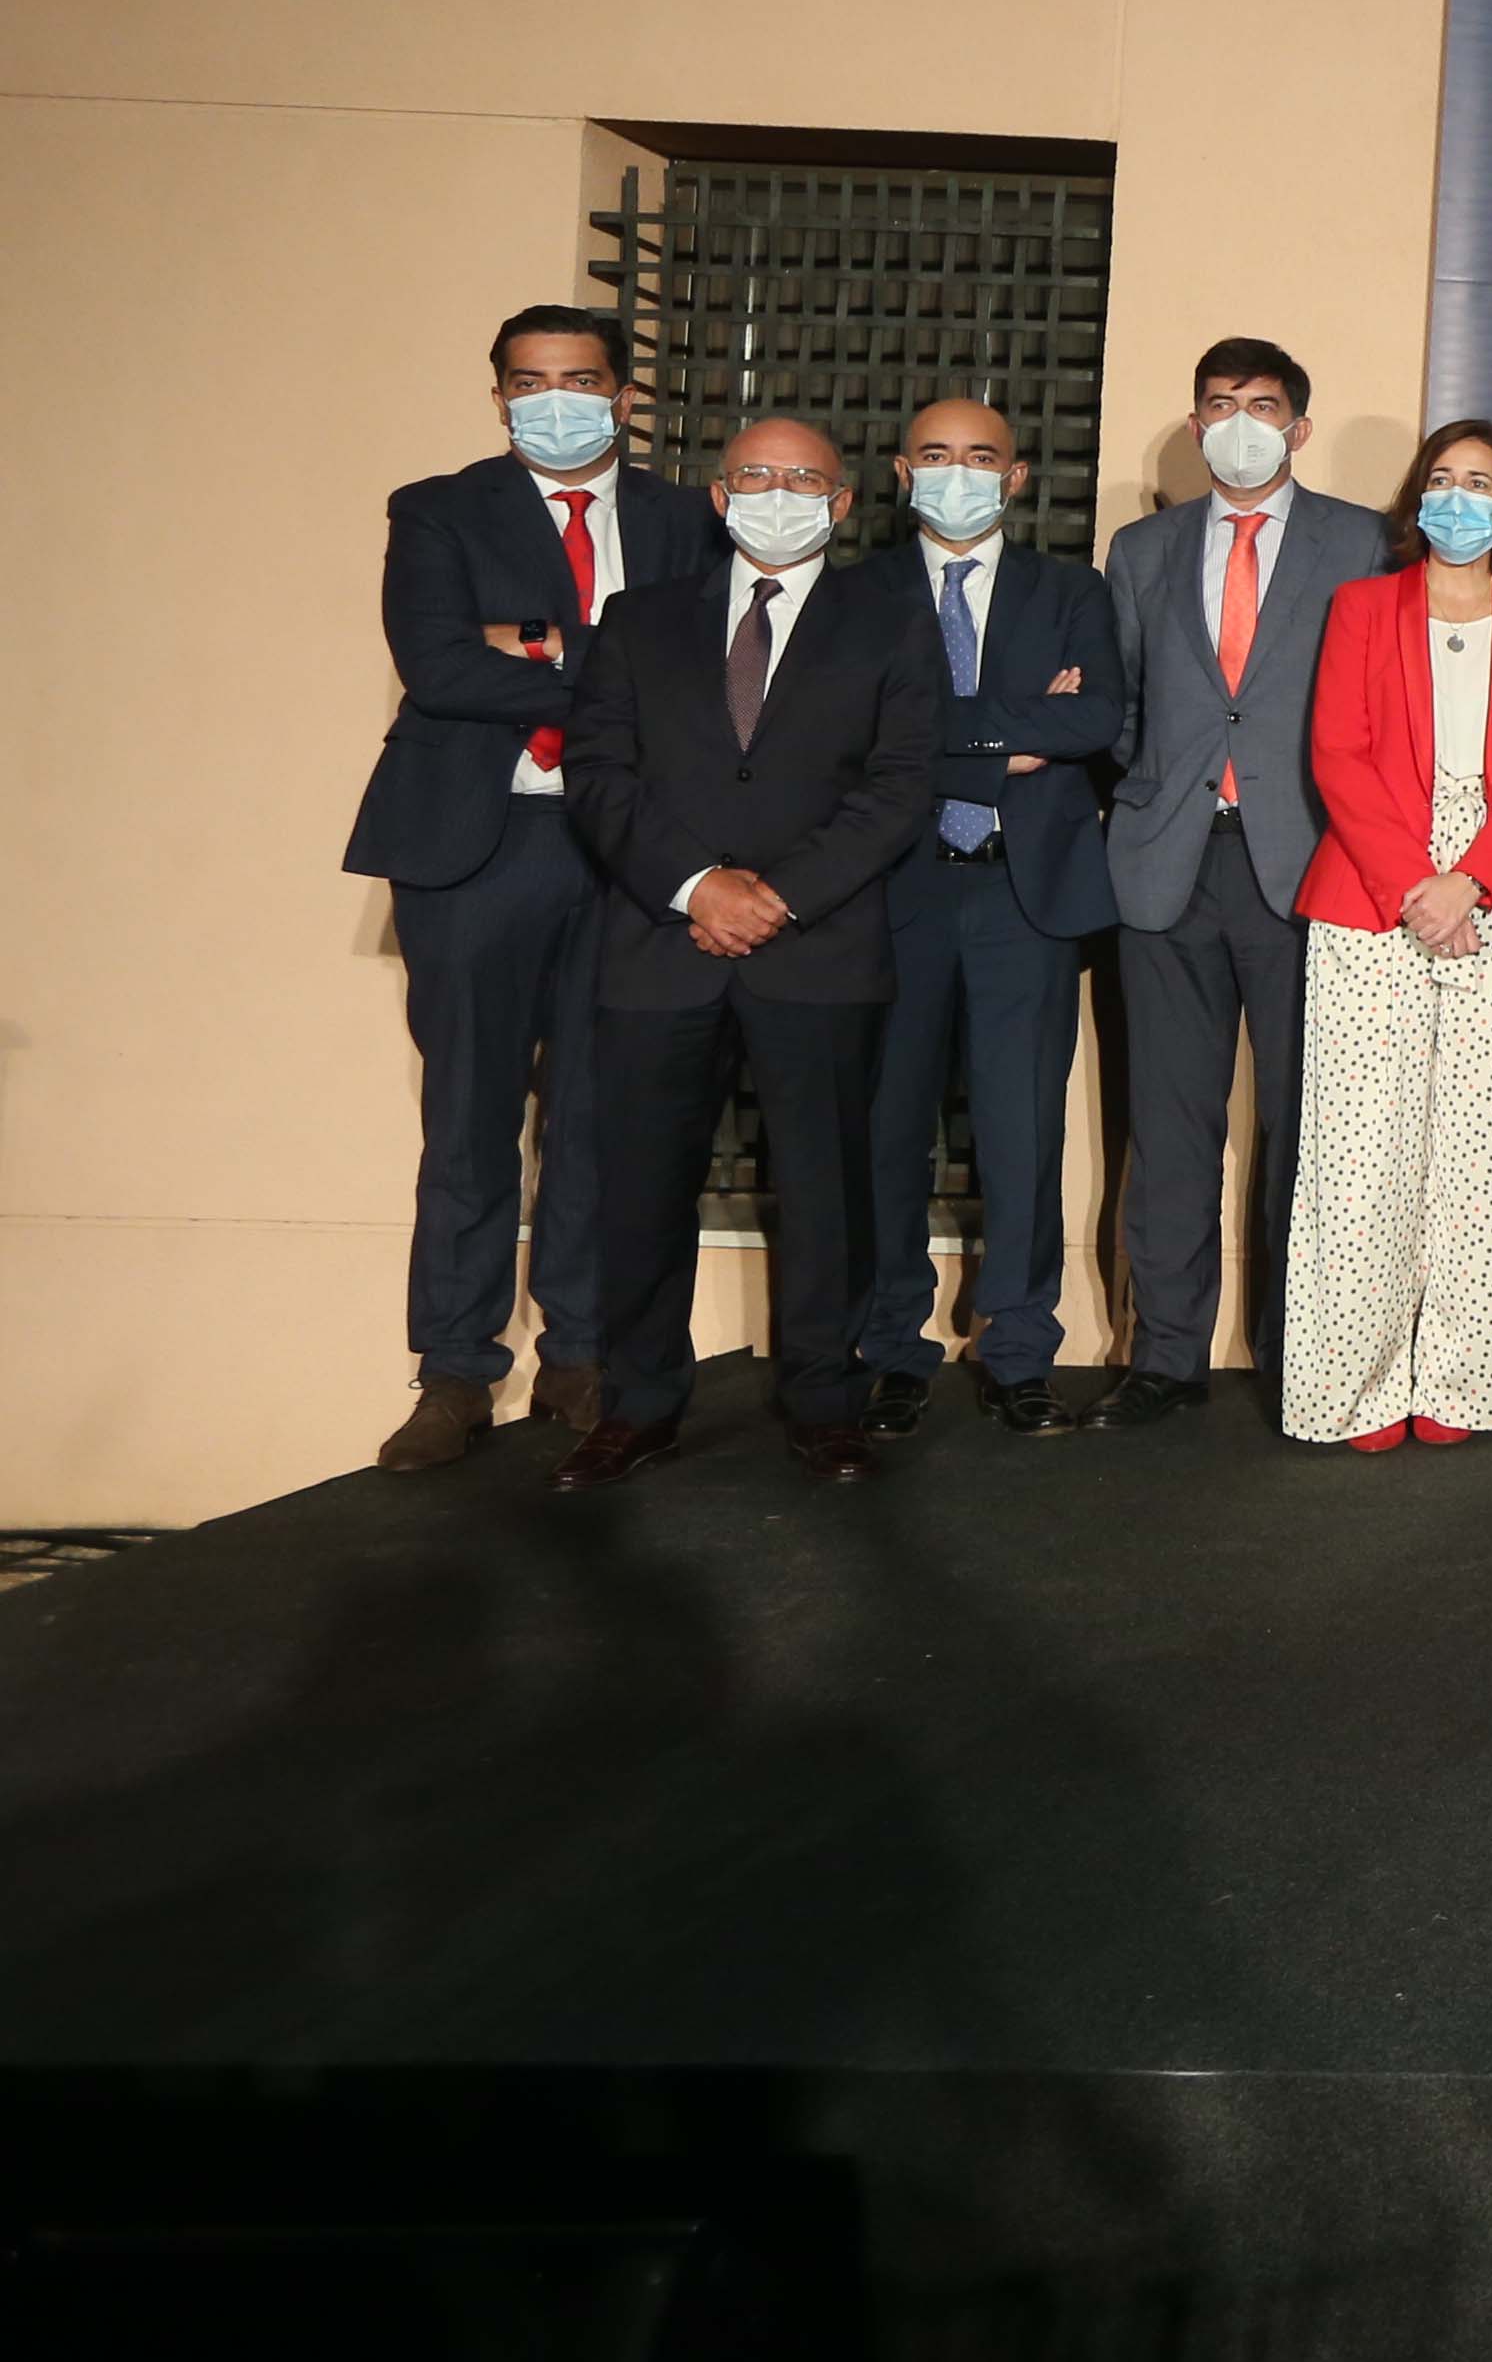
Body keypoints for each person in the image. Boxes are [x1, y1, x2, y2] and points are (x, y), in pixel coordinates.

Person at [345, 306, 723, 1468]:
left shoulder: (680, 519)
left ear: (623, 394)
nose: (553, 400)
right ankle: (453, 1373)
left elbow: (703, 665)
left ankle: (581, 1354)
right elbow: (445, 667)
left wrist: (539, 644)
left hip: (627, 850)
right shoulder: (439, 508)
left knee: (602, 1117)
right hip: (474, 845)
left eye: (579, 380)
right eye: (528, 380)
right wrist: (606, 662)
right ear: (498, 394)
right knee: (467, 1118)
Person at [550, 417, 942, 1489]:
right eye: (758, 477)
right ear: (719, 497)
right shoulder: (640, 621)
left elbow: (899, 786)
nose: (781, 493)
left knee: (825, 1188)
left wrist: (779, 895)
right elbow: (598, 774)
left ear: (846, 503)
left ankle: (825, 1401)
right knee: (640, 1186)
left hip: (816, 947)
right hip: (657, 943)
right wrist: (695, 887)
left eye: (805, 479)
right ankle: (637, 1406)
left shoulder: (894, 622)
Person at [1275, 423, 1492, 1451]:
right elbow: (1339, 752)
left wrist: (1471, 881)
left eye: (1479, 483)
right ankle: (1355, 1391)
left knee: (1490, 1158)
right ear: (1417, 502)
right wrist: (1417, 885)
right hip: (1377, 887)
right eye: (1440, 480)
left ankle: (1468, 1386)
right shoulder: (1363, 607)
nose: (1457, 497)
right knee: (1360, 1152)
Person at [1098, 339, 1388, 1429]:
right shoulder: (1142, 549)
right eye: (1220, 404)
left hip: (1310, 868)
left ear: (1299, 429)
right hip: (1167, 867)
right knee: (1169, 1132)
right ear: (1194, 423)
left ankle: (1293, 1355)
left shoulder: (1362, 542)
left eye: (1263, 405)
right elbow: (1123, 707)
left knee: (1305, 1132)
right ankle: (1165, 1357)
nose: (1240, 422)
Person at [859, 398, 1125, 1439]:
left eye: (980, 458)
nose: (957, 473)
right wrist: (1012, 737)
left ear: (1015, 479)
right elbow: (853, 737)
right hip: (893, 890)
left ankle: (1018, 1349)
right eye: (936, 455)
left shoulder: (1071, 591)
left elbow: (1093, 717)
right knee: (890, 1133)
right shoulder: (858, 595)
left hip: (1029, 892)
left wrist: (940, 737)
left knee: (1023, 1134)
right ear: (899, 469)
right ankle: (893, 1347)